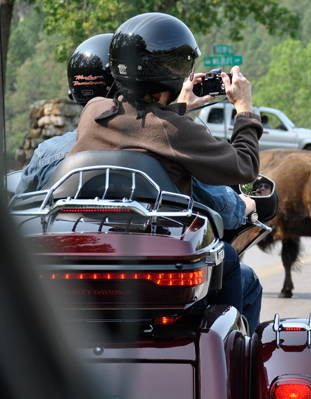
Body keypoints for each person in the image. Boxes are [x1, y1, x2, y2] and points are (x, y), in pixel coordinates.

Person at [15, 27, 263, 333]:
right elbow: (246, 165)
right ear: (175, 76)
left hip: (86, 254)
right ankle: (232, 357)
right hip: (154, 261)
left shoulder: (93, 112)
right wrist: (244, 108)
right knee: (233, 264)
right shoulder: (178, 131)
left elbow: (139, 126)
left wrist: (179, 107)